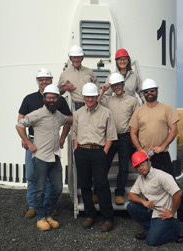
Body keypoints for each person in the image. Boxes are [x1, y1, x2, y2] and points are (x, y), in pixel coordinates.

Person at [129, 78, 183, 228]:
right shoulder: (138, 111)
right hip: (145, 157)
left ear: (157, 91)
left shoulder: (166, 108)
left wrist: (162, 146)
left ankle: (182, 213)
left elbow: (174, 130)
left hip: (162, 154)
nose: (149, 93)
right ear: (143, 94)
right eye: (146, 91)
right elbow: (133, 133)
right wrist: (140, 149)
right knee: (148, 186)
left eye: (152, 90)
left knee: (172, 183)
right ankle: (153, 215)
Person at [16, 84, 73, 231]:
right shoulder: (37, 114)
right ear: (44, 99)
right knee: (40, 189)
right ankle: (41, 217)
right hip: (41, 158)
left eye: (54, 97)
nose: (52, 100)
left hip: (55, 157)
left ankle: (48, 213)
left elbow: (70, 120)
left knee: (58, 188)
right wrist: (29, 143)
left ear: (58, 99)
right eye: (49, 97)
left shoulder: (58, 115)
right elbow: (19, 125)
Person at [73, 82, 117, 232]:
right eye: (87, 97)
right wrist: (75, 149)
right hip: (82, 152)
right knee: (85, 185)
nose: (90, 100)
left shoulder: (106, 113)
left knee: (102, 185)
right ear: (84, 97)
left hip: (99, 152)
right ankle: (90, 215)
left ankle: (108, 218)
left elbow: (110, 136)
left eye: (92, 96)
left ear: (96, 96)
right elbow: (75, 134)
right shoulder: (78, 113)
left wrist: (104, 152)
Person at [127, 151, 183, 246]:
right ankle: (149, 228)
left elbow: (178, 193)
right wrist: (143, 201)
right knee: (131, 206)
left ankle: (177, 227)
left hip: (163, 213)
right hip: (151, 209)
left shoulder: (162, 176)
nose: (140, 168)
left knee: (152, 242)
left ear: (149, 163)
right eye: (137, 166)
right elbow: (131, 196)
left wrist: (172, 212)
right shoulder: (141, 179)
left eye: (142, 164)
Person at [96, 72, 139, 205]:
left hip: (126, 137)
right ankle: (97, 192)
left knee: (124, 167)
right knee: (104, 165)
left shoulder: (132, 101)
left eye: (118, 85)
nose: (117, 88)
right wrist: (103, 90)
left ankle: (119, 194)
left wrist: (135, 139)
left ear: (123, 84)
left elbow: (137, 120)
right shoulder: (108, 100)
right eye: (114, 86)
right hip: (110, 137)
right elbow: (95, 103)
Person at [58, 45, 100, 110]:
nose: (76, 60)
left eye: (78, 57)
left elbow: (97, 90)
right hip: (77, 106)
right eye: (74, 57)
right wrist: (65, 88)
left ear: (82, 58)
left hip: (92, 105)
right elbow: (57, 92)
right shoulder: (65, 74)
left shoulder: (89, 72)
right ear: (70, 58)